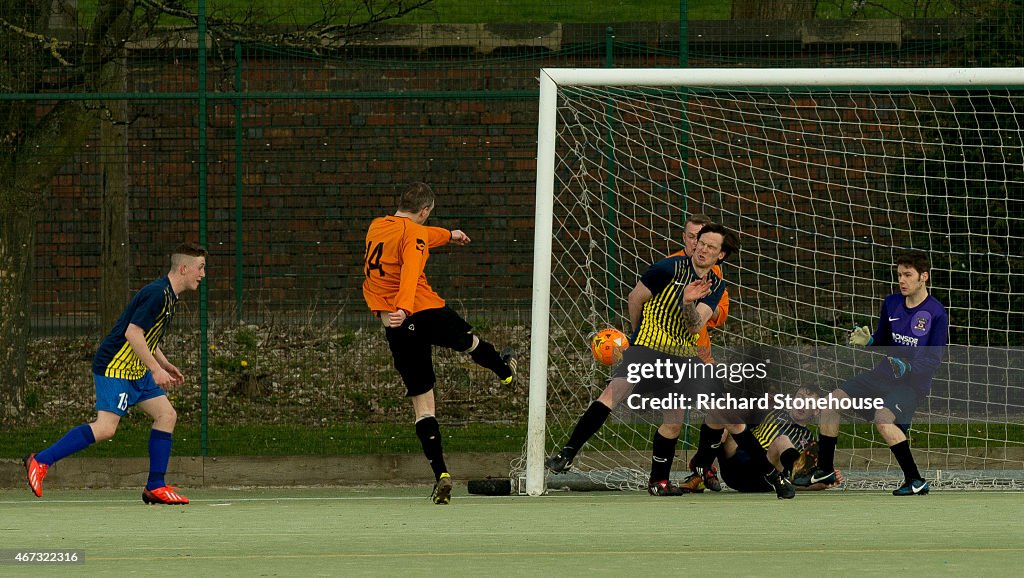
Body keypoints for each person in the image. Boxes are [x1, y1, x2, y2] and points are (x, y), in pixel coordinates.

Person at [545, 224, 783, 497]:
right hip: (649, 345)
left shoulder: (715, 285)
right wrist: (636, 340)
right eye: (699, 242)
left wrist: (687, 302)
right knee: (613, 393)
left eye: (709, 246)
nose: (701, 248)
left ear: (721, 256)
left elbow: (695, 327)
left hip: (683, 356)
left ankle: (666, 482)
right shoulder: (667, 269)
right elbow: (635, 297)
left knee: (705, 417)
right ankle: (567, 453)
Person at [362, 182, 516, 505]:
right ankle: (505, 370)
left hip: (396, 323)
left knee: (423, 405)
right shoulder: (414, 235)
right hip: (423, 311)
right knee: (470, 343)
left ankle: (442, 475)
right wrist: (405, 306)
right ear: (425, 210)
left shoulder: (378, 227)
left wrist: (450, 234)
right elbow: (412, 267)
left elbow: (391, 260)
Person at [24, 242, 208, 505]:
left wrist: (164, 364)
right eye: (200, 268)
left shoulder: (169, 296)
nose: (203, 274)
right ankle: (40, 461)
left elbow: (146, 336)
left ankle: (155, 485)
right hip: (115, 366)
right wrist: (155, 371)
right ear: (183, 268)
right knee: (106, 428)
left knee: (166, 415)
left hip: (135, 367)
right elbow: (132, 333)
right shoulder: (157, 294)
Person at [813, 251, 948, 496]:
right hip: (883, 374)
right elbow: (885, 338)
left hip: (911, 385)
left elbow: (934, 359)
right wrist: (871, 340)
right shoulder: (892, 303)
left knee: (882, 420)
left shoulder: (936, 313)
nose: (902, 280)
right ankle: (825, 469)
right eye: (899, 275)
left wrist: (909, 367)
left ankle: (915, 481)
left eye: (908, 275)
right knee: (831, 402)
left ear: (923, 277)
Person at [715, 386, 844, 493]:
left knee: (782, 441)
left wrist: (823, 481)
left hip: (762, 477)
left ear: (816, 411)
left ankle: (810, 480)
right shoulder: (772, 411)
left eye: (809, 402)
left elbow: (796, 477)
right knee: (728, 419)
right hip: (733, 470)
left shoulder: (810, 441)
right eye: (800, 398)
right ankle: (704, 472)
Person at [666, 214, 730, 365]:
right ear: (684, 237)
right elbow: (637, 299)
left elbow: (720, 315)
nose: (697, 244)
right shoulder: (668, 266)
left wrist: (707, 303)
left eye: (701, 239)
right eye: (692, 237)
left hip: (701, 352)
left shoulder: (714, 271)